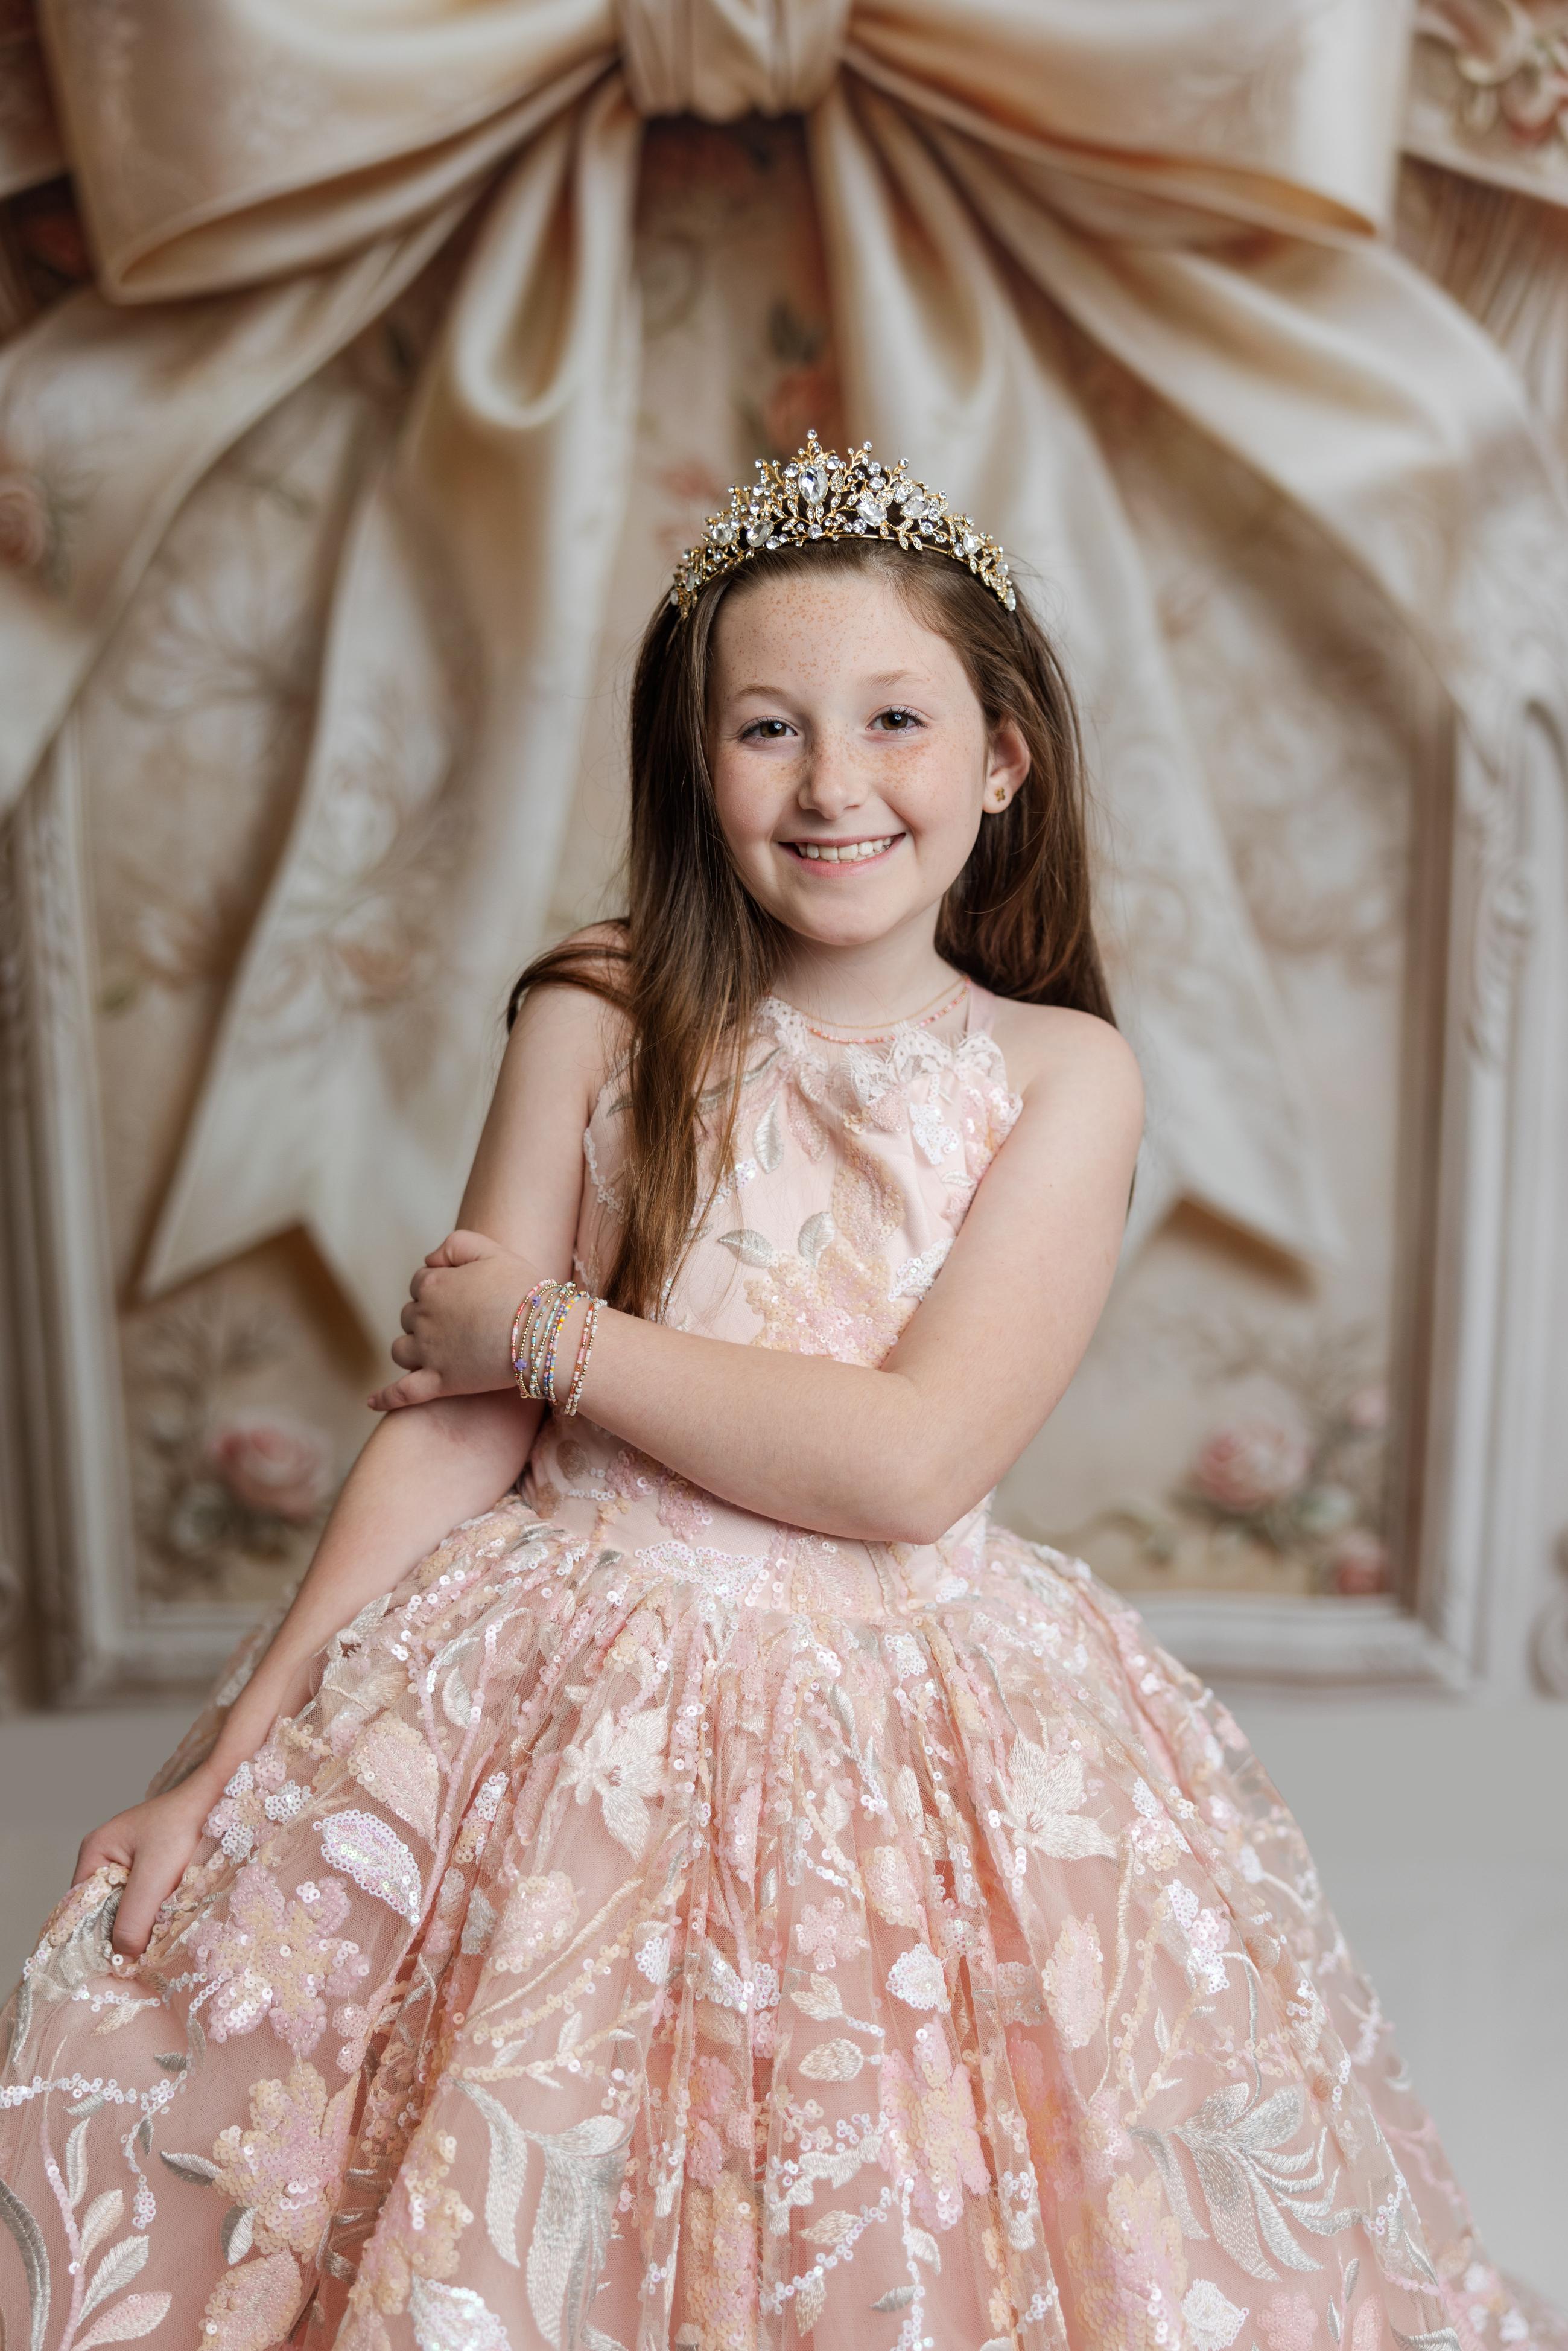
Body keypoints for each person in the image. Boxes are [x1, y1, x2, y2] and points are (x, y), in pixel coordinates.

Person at [1, 437, 1558, 2351]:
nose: (833, 785)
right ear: (696, 762)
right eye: (768, 729)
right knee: (508, 2167)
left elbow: (908, 1462)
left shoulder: (1060, 1078)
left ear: (1004, 759)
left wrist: (549, 1335)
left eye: (895, 720)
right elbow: (459, 1427)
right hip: (565, 1699)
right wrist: (225, 1763)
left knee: (873, 2183)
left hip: (905, 1719)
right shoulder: (598, 1012)